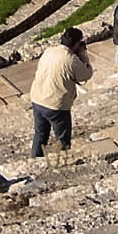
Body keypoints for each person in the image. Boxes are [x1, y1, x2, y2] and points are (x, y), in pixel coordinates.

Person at [29, 27, 93, 158]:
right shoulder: (71, 60)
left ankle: (34, 160)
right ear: (76, 44)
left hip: (37, 98)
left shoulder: (49, 51)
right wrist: (83, 55)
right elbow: (86, 75)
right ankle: (62, 161)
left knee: (40, 134)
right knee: (62, 139)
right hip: (56, 105)